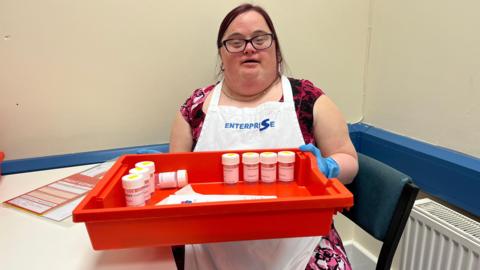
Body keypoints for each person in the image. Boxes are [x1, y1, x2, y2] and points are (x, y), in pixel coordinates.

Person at [169, 4, 358, 270]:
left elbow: (350, 163)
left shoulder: (308, 98)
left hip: (301, 245)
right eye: (235, 42)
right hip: (210, 247)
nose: (248, 48)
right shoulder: (195, 106)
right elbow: (175, 179)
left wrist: (329, 167)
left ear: (276, 50)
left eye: (260, 39)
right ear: (221, 55)